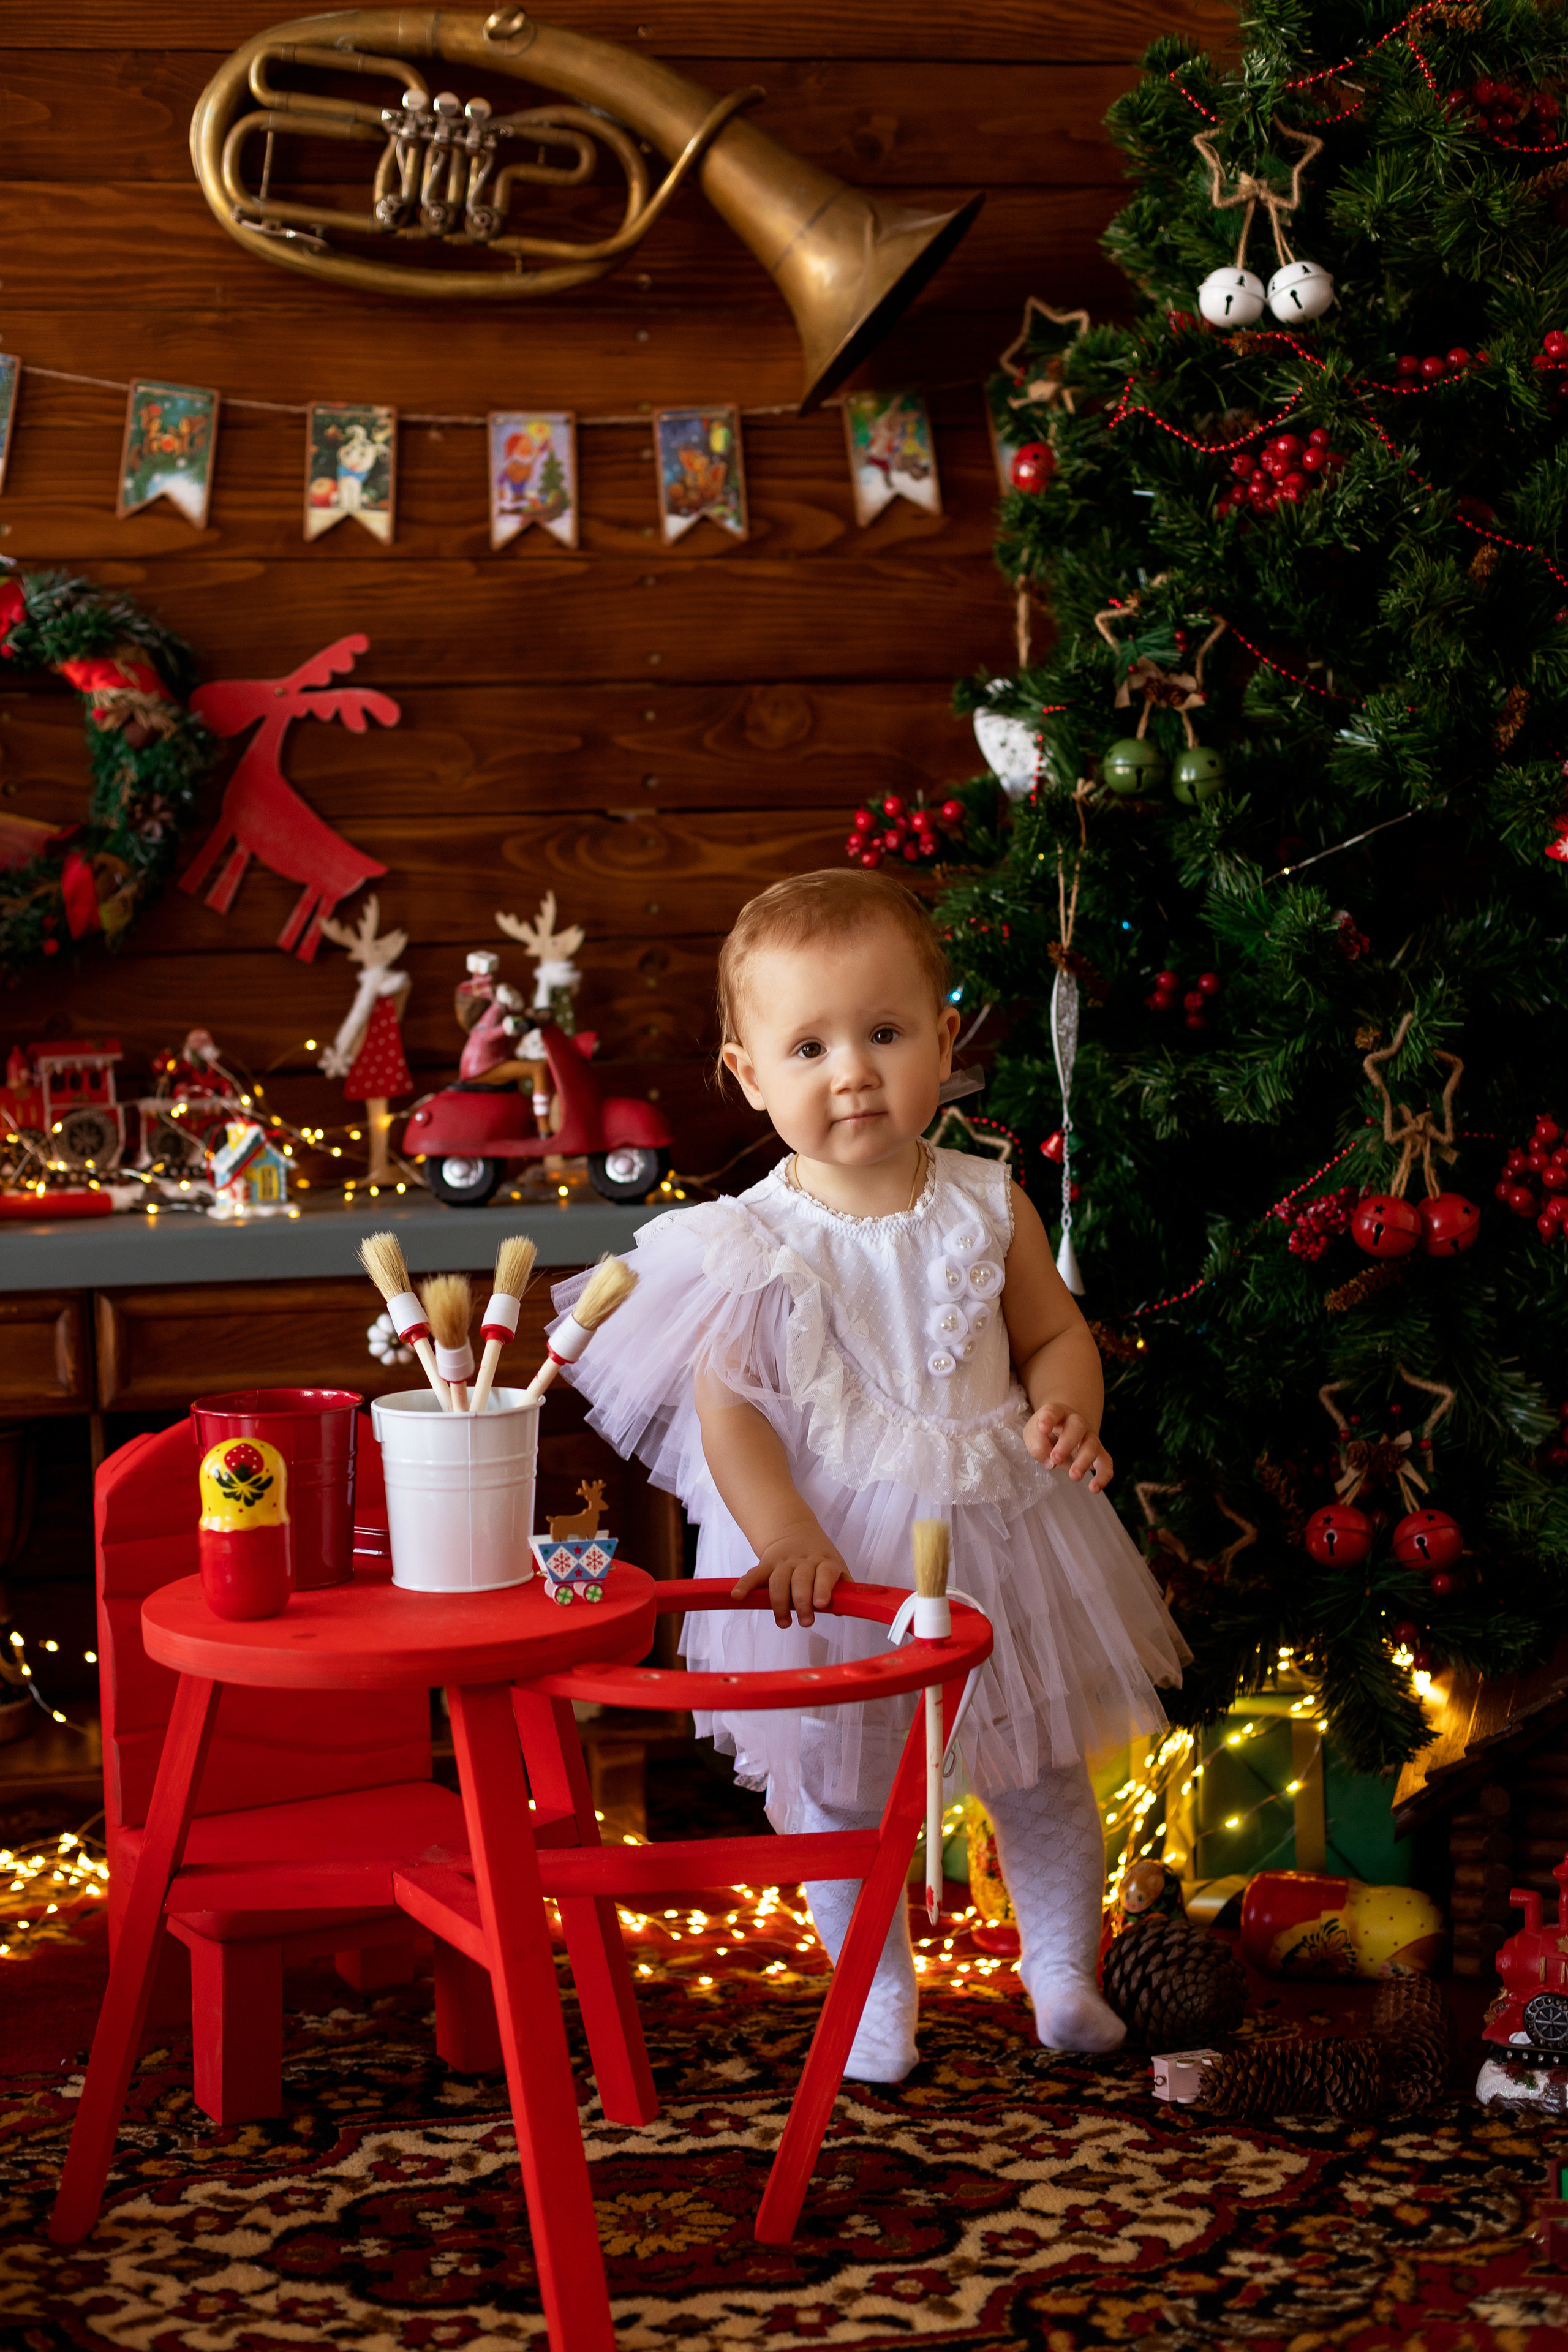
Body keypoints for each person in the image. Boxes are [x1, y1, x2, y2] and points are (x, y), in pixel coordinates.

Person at [552, 869, 1188, 2080]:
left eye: (884, 1034)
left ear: (943, 1043)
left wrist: (1067, 1405)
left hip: (1000, 1525)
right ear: (749, 1074)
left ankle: (1062, 1972)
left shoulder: (988, 1203)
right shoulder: (746, 1242)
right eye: (809, 1047)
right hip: (834, 1552)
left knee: (1040, 1768)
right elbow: (730, 1415)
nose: (851, 1071)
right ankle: (874, 1994)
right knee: (841, 1792)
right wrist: (784, 1533)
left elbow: (1054, 1333)